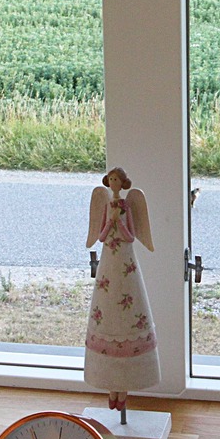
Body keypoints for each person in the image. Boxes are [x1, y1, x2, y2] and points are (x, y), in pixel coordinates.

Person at [85, 167, 159, 412]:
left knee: (128, 307)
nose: (114, 184)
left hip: (125, 260)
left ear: (123, 183)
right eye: (111, 180)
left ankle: (124, 389)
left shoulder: (127, 206)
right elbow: (101, 235)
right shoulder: (107, 204)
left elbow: (131, 236)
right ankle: (111, 386)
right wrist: (110, 222)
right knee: (108, 306)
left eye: (117, 180)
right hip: (109, 261)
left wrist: (120, 221)